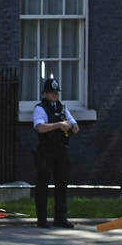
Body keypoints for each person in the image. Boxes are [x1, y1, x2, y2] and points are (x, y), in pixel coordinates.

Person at [33, 78, 79, 228]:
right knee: (42, 185)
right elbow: (39, 127)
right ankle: (42, 219)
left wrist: (70, 125)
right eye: (52, 93)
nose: (55, 96)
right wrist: (59, 125)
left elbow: (75, 126)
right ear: (45, 93)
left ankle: (60, 217)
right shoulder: (40, 108)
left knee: (62, 184)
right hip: (46, 151)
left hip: (61, 150)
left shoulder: (62, 108)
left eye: (56, 93)